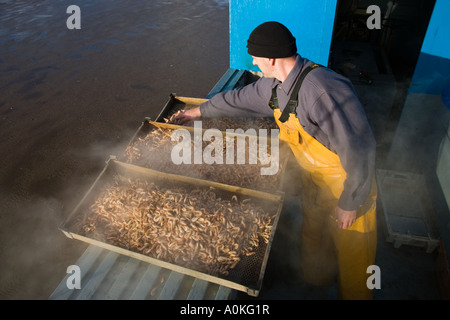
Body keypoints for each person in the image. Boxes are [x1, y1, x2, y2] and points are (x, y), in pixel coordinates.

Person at [174, 21, 378, 300]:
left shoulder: (322, 90)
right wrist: (198, 112)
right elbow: (236, 100)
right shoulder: (275, 87)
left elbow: (360, 147)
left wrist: (350, 201)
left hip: (348, 184)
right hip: (316, 183)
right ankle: (314, 284)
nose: (254, 63)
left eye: (255, 58)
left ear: (270, 57)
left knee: (355, 256)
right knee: (313, 237)